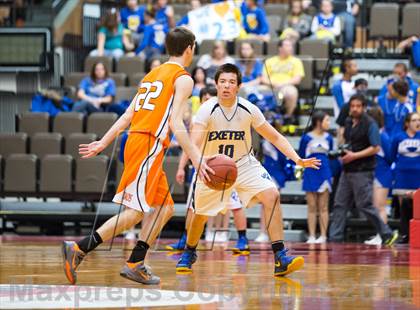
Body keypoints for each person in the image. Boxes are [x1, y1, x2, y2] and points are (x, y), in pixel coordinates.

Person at [62, 27, 213, 286]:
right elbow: (176, 122)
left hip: (138, 140)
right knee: (134, 212)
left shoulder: (152, 75)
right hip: (148, 144)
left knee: (165, 208)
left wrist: (103, 142)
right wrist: (197, 158)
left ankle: (135, 262)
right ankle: (79, 248)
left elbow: (127, 115)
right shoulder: (183, 78)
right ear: (190, 48)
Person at [175, 63, 321, 276]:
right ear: (216, 84)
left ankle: (280, 256)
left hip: (244, 163)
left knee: (272, 195)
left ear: (239, 86)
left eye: (231, 82)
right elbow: (194, 142)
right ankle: (190, 250)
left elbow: (275, 136)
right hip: (211, 164)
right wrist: (198, 163)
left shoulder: (248, 108)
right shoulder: (207, 109)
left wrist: (297, 159)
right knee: (200, 215)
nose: (226, 86)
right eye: (222, 81)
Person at [168, 85, 251, 253]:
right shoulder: (198, 119)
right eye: (204, 98)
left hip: (227, 168)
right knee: (192, 207)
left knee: (235, 205)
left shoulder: (230, 117)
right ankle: (185, 239)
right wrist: (181, 167)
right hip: (204, 167)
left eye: (210, 98)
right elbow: (190, 146)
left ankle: (243, 239)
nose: (208, 102)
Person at [328, 94, 399, 245]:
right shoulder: (348, 121)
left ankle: (387, 233)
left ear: (364, 107)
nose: (354, 109)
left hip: (363, 170)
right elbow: (350, 142)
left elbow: (376, 148)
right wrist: (344, 151)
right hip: (347, 170)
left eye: (358, 106)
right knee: (339, 204)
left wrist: (354, 155)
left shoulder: (370, 123)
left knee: (365, 205)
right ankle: (335, 238)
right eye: (352, 106)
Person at [298, 111, 333, 244]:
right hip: (310, 173)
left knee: (323, 207)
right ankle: (312, 236)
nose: (329, 123)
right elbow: (301, 156)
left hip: (324, 173)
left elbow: (330, 156)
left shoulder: (329, 138)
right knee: (312, 206)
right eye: (327, 120)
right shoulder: (306, 138)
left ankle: (323, 236)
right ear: (319, 122)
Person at [364, 107, 393, 245]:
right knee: (375, 206)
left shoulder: (383, 136)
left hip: (382, 174)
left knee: (380, 206)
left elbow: (390, 157)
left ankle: (382, 236)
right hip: (374, 172)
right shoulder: (374, 135)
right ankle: (379, 234)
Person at [390, 112, 420, 244]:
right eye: (414, 120)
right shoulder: (398, 137)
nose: (417, 123)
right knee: (404, 208)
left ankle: (417, 236)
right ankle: (405, 235)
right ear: (407, 123)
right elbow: (391, 155)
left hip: (418, 176)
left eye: (419, 120)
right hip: (402, 176)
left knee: (418, 207)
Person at [262, 39, 305, 124]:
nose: (291, 48)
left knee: (291, 92)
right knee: (256, 92)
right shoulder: (270, 61)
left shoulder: (296, 61)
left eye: (291, 46)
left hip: (287, 86)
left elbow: (297, 79)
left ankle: (288, 117)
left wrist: (282, 84)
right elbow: (263, 78)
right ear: (280, 48)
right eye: (287, 46)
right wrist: (274, 84)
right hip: (270, 85)